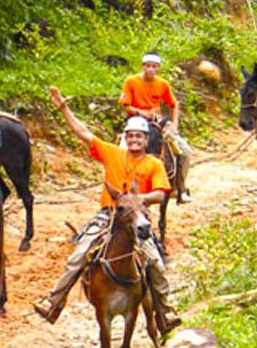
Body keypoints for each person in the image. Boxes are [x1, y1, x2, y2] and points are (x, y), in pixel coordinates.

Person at [33, 86, 181, 334]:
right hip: (108, 216)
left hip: (136, 219)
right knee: (78, 255)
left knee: (155, 261)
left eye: (139, 137)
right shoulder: (112, 153)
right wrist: (63, 109)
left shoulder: (154, 164)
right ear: (125, 137)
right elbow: (83, 133)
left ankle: (164, 312)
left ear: (146, 140)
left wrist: (135, 200)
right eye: (130, 136)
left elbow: (160, 193)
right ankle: (53, 302)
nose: (134, 140)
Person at [118, 52, 192, 202]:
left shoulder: (162, 84)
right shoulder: (131, 81)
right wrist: (142, 112)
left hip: (157, 121)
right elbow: (125, 105)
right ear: (143, 66)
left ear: (158, 67)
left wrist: (174, 124)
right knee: (121, 151)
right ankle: (118, 185)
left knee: (184, 151)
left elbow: (173, 104)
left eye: (154, 66)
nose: (151, 69)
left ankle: (179, 187)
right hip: (135, 120)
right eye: (148, 66)